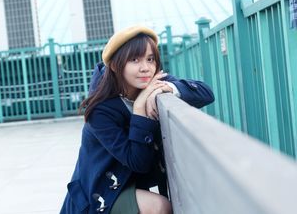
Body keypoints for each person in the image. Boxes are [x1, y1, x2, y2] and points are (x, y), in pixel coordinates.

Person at [60, 25, 214, 214]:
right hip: (101, 192)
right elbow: (137, 162)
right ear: (116, 65)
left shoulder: (151, 81)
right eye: (135, 60)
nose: (145, 68)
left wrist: (166, 88)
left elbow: (206, 93)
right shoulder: (100, 110)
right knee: (159, 207)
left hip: (130, 182)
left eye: (150, 59)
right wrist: (140, 108)